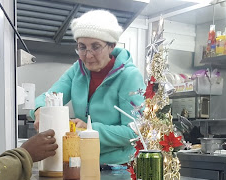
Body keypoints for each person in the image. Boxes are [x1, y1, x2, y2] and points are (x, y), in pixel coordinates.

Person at [31, 9, 145, 165]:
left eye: (96, 47)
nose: (88, 55)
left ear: (111, 46)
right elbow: (51, 96)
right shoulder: (77, 71)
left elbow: (135, 132)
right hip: (83, 162)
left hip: (119, 167)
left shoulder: (130, 77)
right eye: (82, 47)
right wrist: (39, 109)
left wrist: (89, 129)